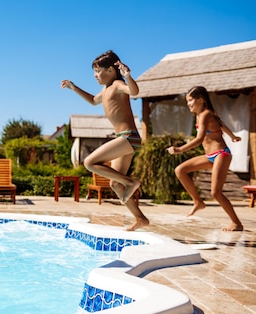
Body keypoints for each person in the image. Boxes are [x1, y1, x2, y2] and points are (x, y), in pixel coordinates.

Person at [61, 50, 149, 231]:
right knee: (115, 183)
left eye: (98, 71)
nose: (95, 75)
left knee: (90, 162)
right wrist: (74, 87)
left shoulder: (117, 84)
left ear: (110, 70)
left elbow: (133, 91)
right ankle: (140, 218)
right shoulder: (106, 89)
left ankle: (131, 183)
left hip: (128, 137)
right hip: (123, 139)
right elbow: (93, 101)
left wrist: (128, 76)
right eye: (94, 71)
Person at [167, 86, 243, 232]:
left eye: (190, 100)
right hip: (210, 156)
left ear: (201, 100)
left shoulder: (205, 115)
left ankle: (236, 223)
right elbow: (221, 124)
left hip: (221, 154)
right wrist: (233, 136)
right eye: (187, 101)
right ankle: (198, 201)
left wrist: (180, 149)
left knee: (216, 192)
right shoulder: (203, 114)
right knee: (180, 170)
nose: (188, 103)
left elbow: (199, 138)